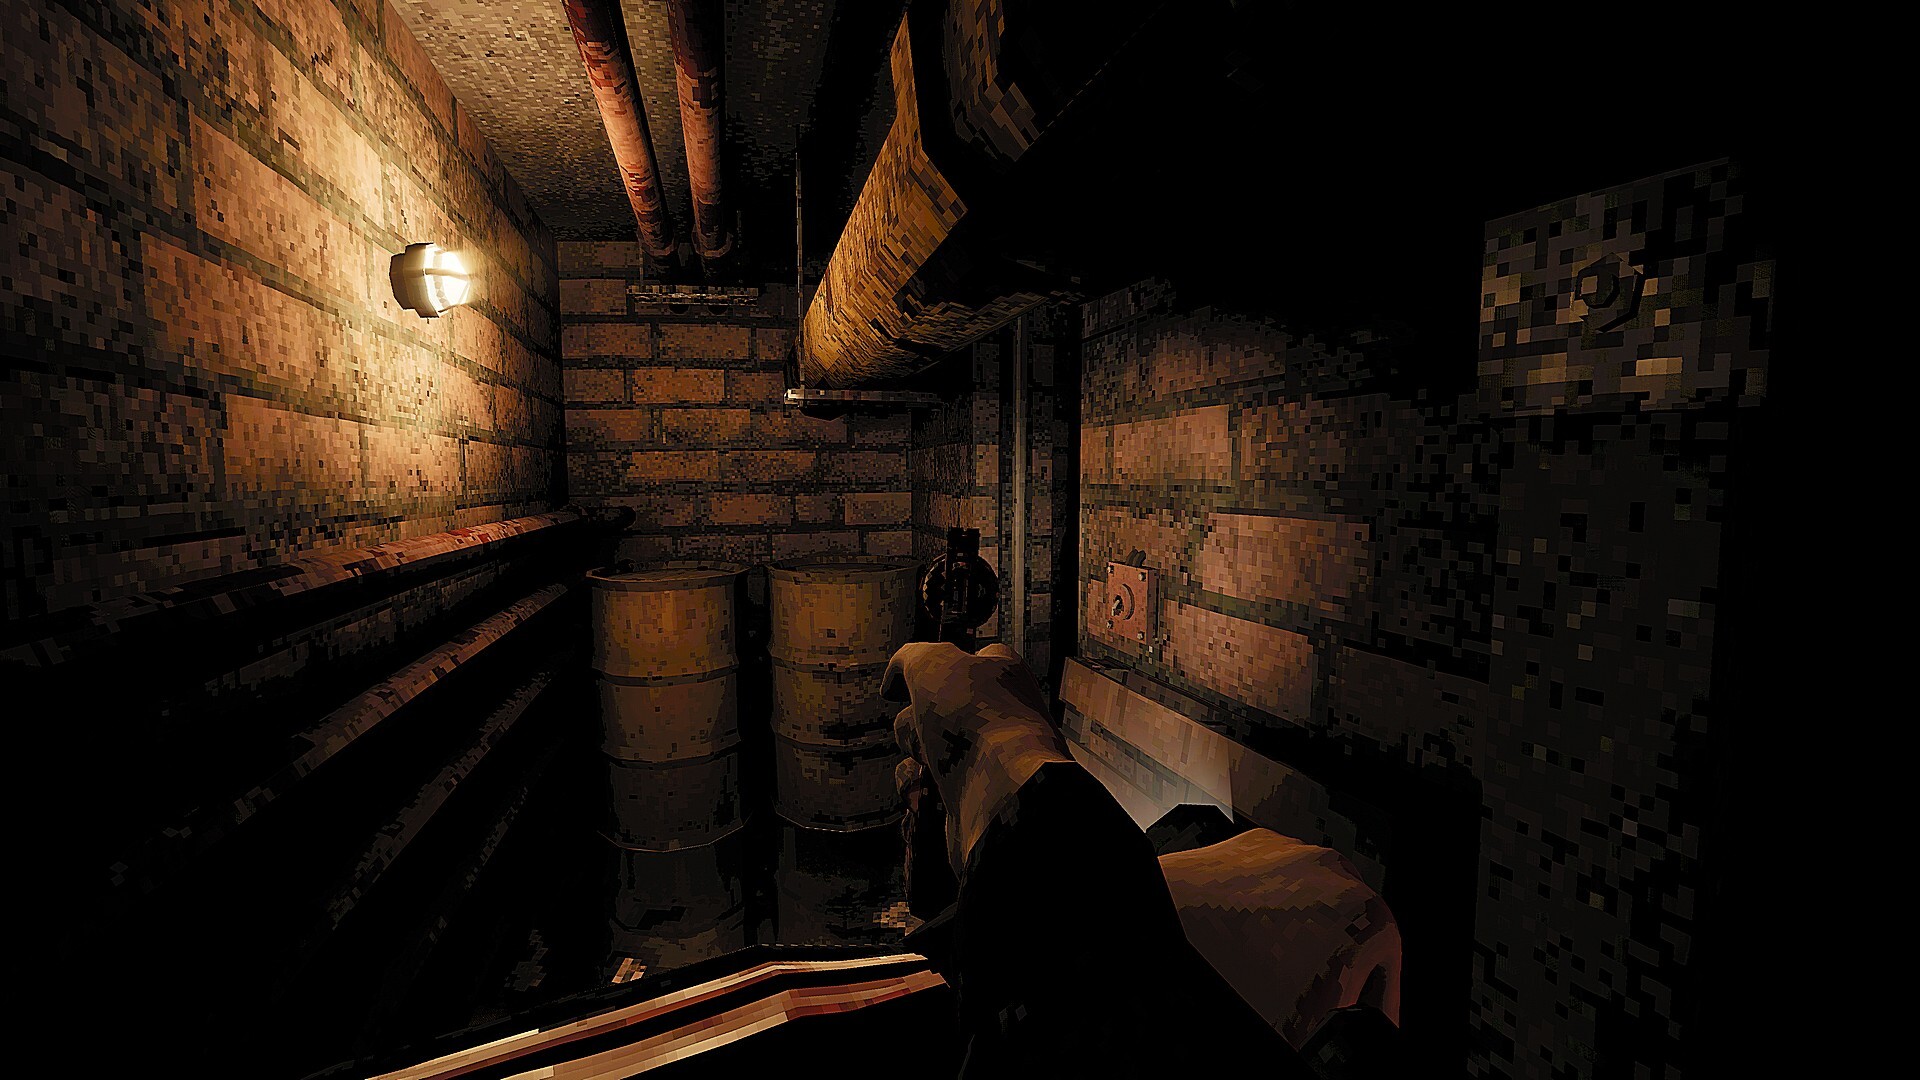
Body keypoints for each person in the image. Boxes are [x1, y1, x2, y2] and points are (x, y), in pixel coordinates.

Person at [882, 641, 1318, 1078]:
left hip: (1013, 832)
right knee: (1159, 979)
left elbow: (944, 879)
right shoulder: (992, 669)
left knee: (1011, 1035)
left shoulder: (924, 672)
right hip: (1082, 799)